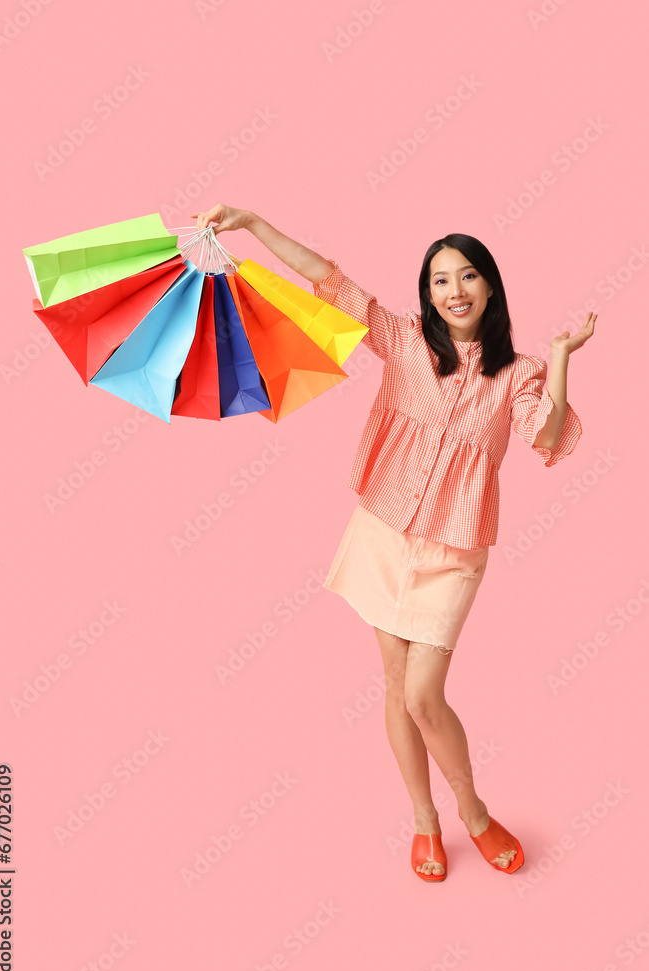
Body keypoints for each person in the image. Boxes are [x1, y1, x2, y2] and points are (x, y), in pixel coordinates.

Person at [192, 204, 596, 883]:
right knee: (394, 687)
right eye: (440, 281)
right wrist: (254, 227)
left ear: (490, 287)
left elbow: (548, 437)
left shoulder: (518, 374)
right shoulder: (404, 342)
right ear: (427, 294)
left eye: (468, 276)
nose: (455, 291)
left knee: (423, 696)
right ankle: (423, 821)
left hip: (453, 551)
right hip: (382, 531)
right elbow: (328, 279)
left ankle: (471, 810)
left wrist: (557, 359)